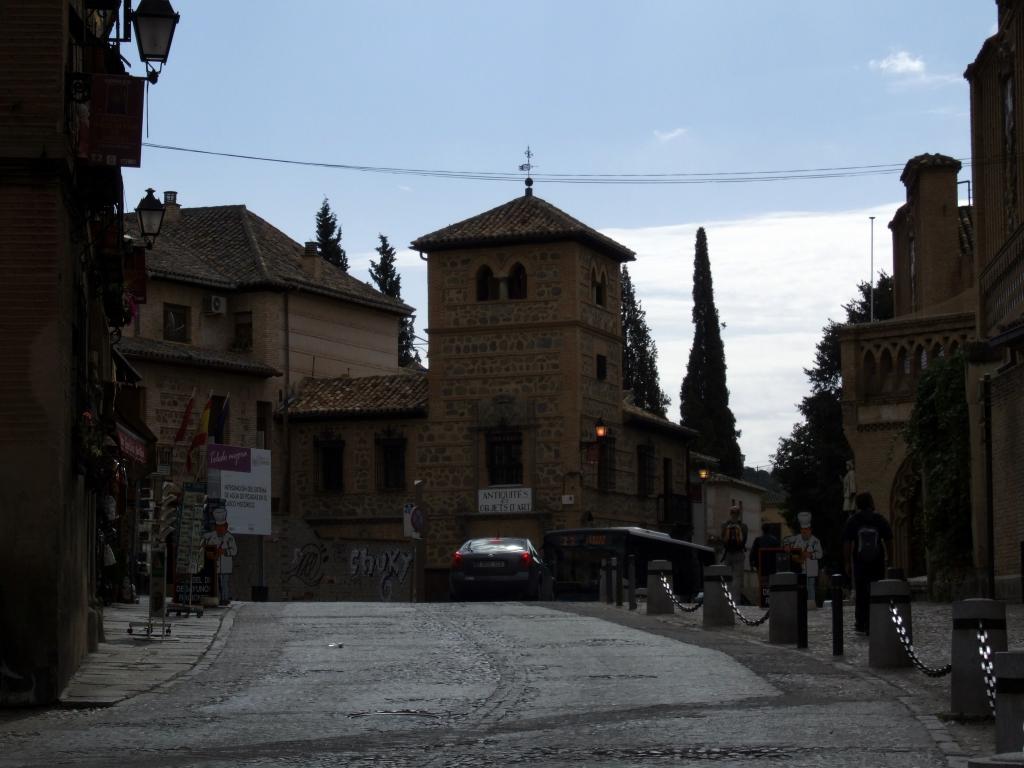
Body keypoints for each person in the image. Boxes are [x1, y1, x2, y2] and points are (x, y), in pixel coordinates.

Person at [842, 491, 892, 635]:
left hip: (860, 561)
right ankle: (876, 619)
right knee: (877, 591)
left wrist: (847, 563)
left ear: (858, 504)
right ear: (871, 503)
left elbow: (847, 542)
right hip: (877, 560)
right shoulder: (879, 519)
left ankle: (861, 623)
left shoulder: (853, 520)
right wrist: (890, 559)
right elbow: (889, 540)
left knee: (861, 591)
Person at [784, 511, 824, 606]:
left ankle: (811, 604)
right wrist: (786, 546)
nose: (804, 531)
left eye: (806, 529)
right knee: (799, 587)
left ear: (810, 530)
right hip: (798, 568)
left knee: (810, 587)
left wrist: (810, 555)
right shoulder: (796, 538)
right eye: (802, 529)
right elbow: (786, 540)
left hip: (810, 569)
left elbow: (820, 554)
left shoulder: (815, 541)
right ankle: (800, 604)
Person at [201, 507, 238, 606]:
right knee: (215, 583)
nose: (219, 529)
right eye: (217, 527)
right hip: (214, 565)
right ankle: (216, 597)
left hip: (225, 565)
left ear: (226, 526)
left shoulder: (230, 538)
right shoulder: (212, 535)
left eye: (221, 527)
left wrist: (225, 551)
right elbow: (203, 538)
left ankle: (224, 598)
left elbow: (234, 551)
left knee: (224, 583)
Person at [720, 505, 748, 603]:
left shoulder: (724, 525)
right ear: (739, 514)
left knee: (726, 576)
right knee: (737, 578)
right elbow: (744, 540)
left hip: (727, 553)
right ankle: (736, 600)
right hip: (739, 554)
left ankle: (726, 598)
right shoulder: (743, 526)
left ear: (730, 513)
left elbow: (722, 538)